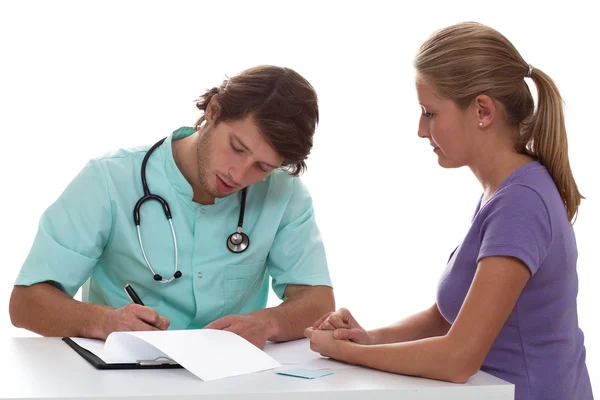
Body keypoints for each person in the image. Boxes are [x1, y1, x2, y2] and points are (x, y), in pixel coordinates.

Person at [304, 22, 593, 400]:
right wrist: (369, 338)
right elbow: (446, 317)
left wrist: (350, 353)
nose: (421, 130)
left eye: (429, 112)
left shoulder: (520, 204)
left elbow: (459, 359)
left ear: (483, 111)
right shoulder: (506, 191)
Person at [10, 65, 335, 350]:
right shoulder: (108, 180)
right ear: (213, 109)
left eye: (262, 167)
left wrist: (267, 323)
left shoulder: (284, 193)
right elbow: (26, 303)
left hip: (229, 384)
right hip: (123, 382)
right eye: (236, 148)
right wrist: (104, 321)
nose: (239, 174)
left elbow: (317, 302)